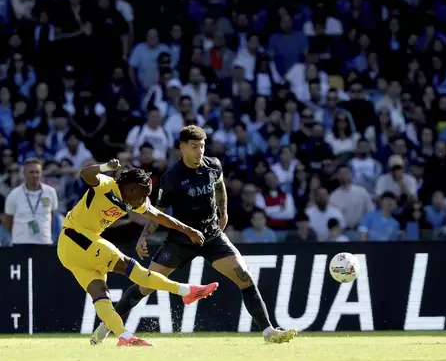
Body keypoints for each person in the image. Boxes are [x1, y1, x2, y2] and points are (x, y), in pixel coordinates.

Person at [91, 126, 297, 344]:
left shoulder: (213, 165)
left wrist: (223, 211)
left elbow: (220, 188)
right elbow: (157, 211)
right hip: (181, 239)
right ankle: (107, 326)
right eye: (194, 146)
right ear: (182, 148)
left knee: (245, 279)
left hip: (211, 236)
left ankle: (268, 332)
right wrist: (144, 236)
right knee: (145, 286)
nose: (200, 151)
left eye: (202, 146)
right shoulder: (171, 178)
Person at [57, 159, 219, 347]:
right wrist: (106, 168)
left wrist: (188, 230)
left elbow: (159, 216)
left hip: (69, 251)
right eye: (144, 195)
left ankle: (124, 336)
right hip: (77, 237)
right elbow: (86, 174)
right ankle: (185, 291)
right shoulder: (107, 185)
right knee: (129, 266)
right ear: (132, 188)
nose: (144, 201)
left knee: (101, 294)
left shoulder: (133, 201)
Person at [4, 158, 59, 245]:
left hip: (44, 242)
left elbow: (51, 216)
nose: (35, 175)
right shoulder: (14, 194)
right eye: (31, 172)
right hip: (20, 243)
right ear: (24, 173)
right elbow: (8, 221)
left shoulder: (50, 192)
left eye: (37, 172)